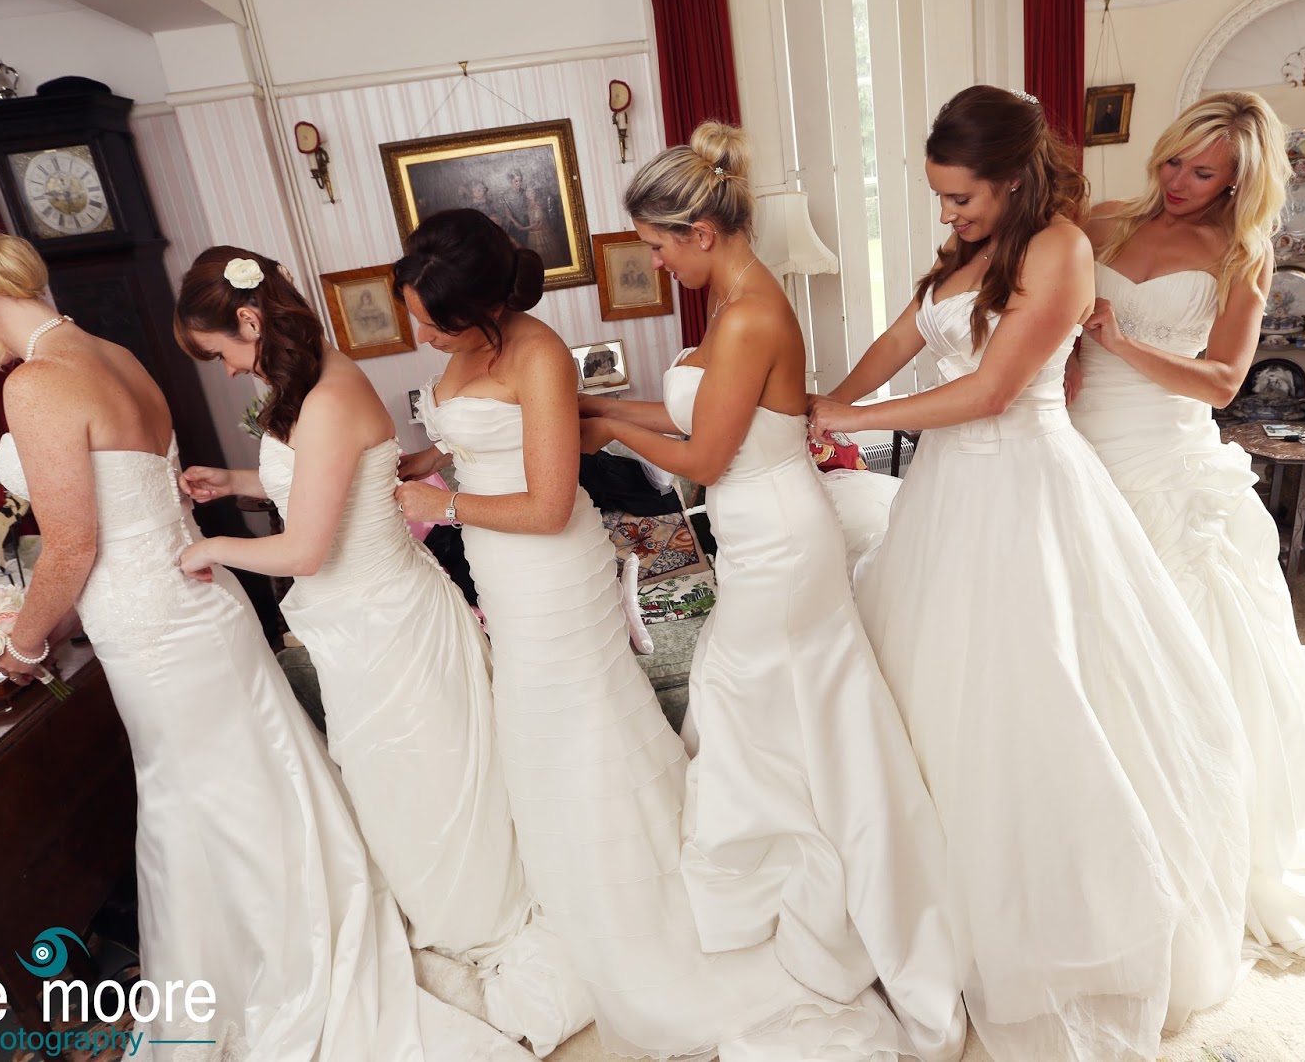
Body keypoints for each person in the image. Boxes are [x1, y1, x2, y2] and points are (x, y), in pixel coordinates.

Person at [0, 215, 533, 1061]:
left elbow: (74, 543)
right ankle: (308, 941)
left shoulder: (38, 383)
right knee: (262, 778)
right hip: (202, 607)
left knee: (204, 800)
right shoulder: (113, 353)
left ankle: (272, 973)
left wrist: (24, 648)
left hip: (155, 623)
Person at [394, 207, 921, 1060]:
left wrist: (442, 506)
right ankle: (581, 900)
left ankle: (644, 917)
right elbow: (492, 437)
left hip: (547, 570)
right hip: (504, 567)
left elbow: (550, 500)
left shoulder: (535, 353)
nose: (418, 331)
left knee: (578, 733)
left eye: (431, 319)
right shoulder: (475, 356)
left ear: (483, 311)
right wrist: (434, 458)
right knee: (540, 742)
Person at [810, 85, 1253, 1060]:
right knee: (927, 689)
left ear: (1012, 179)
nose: (947, 215)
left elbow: (990, 388)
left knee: (1029, 696)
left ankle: (1042, 929)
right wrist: (825, 398)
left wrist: (852, 424)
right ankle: (917, 902)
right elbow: (906, 333)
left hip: (1023, 488)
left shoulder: (1060, 247)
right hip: (946, 502)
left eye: (961, 198)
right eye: (939, 197)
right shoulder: (969, 249)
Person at [577, 120, 966, 1060]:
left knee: (758, 696)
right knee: (774, 704)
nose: (658, 260)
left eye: (661, 243)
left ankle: (820, 874)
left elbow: (705, 456)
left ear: (701, 232)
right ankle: (803, 842)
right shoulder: (735, 299)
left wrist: (613, 433)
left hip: (779, 538)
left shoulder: (750, 314)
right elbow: (696, 413)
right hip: (762, 532)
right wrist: (595, 409)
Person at [1066, 91, 1305, 966]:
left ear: (1240, 179)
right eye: (1173, 161)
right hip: (1077, 447)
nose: (1178, 182)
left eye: (1204, 172)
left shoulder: (1241, 252)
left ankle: (1179, 802)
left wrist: (1121, 341)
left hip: (1162, 456)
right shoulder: (1098, 222)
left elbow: (1218, 382)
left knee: (1174, 635)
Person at [169, 246, 590, 1053]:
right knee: (400, 793)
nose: (223, 370)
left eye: (221, 350)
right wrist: (233, 482)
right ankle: (450, 910)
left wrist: (210, 551)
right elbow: (336, 487)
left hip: (390, 633)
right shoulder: (307, 385)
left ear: (250, 321)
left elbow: (305, 551)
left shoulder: (326, 396)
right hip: (360, 633)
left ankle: (482, 922)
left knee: (427, 791)